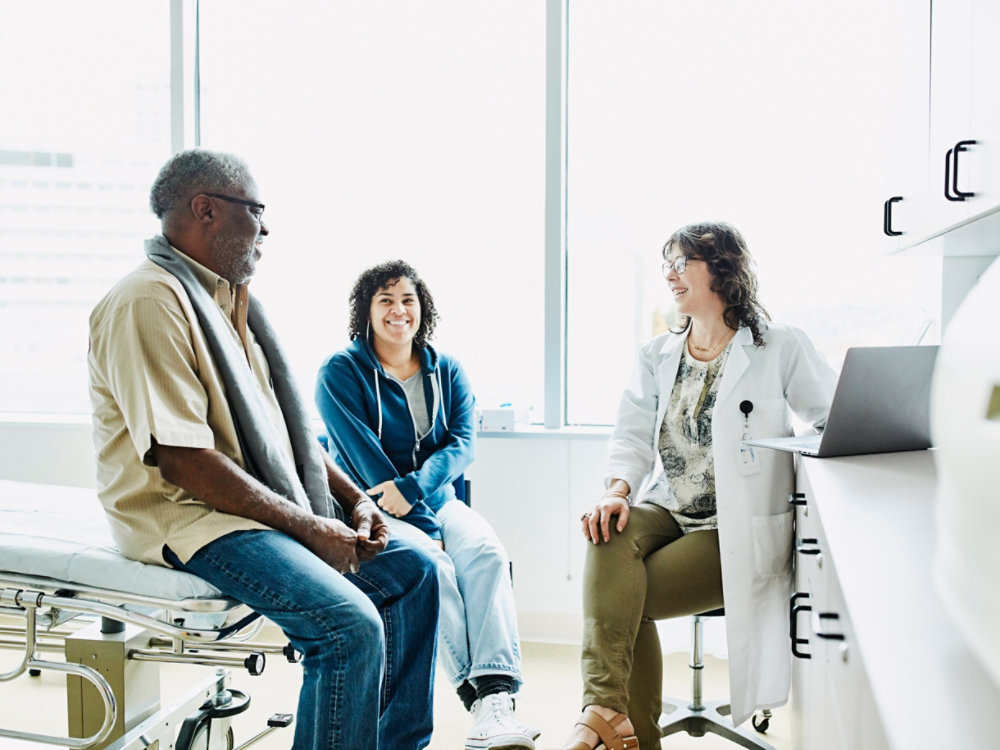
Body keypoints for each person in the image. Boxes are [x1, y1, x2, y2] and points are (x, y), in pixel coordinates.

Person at [87, 149, 439, 750]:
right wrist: (308, 526)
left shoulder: (235, 307)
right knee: (347, 627)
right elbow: (184, 461)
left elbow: (286, 436)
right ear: (205, 210)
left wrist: (355, 503)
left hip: (247, 507)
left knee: (416, 570)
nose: (265, 227)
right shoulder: (149, 301)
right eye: (255, 210)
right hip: (192, 518)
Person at [563, 222, 837, 750]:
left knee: (625, 599)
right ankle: (607, 711)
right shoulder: (657, 355)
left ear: (721, 268)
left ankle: (612, 724)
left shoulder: (778, 346)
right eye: (667, 263)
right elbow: (633, 436)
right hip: (667, 506)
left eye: (680, 261)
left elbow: (831, 418)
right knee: (605, 529)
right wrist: (617, 489)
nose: (669, 274)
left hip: (734, 523)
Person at [315, 260, 540, 750]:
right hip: (368, 509)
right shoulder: (340, 372)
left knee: (485, 554)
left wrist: (418, 492)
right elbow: (362, 460)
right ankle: (475, 693)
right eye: (386, 300)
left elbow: (462, 443)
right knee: (432, 566)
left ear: (423, 309)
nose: (399, 310)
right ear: (366, 310)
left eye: (408, 300)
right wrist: (418, 518)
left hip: (437, 500)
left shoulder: (447, 368)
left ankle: (496, 699)